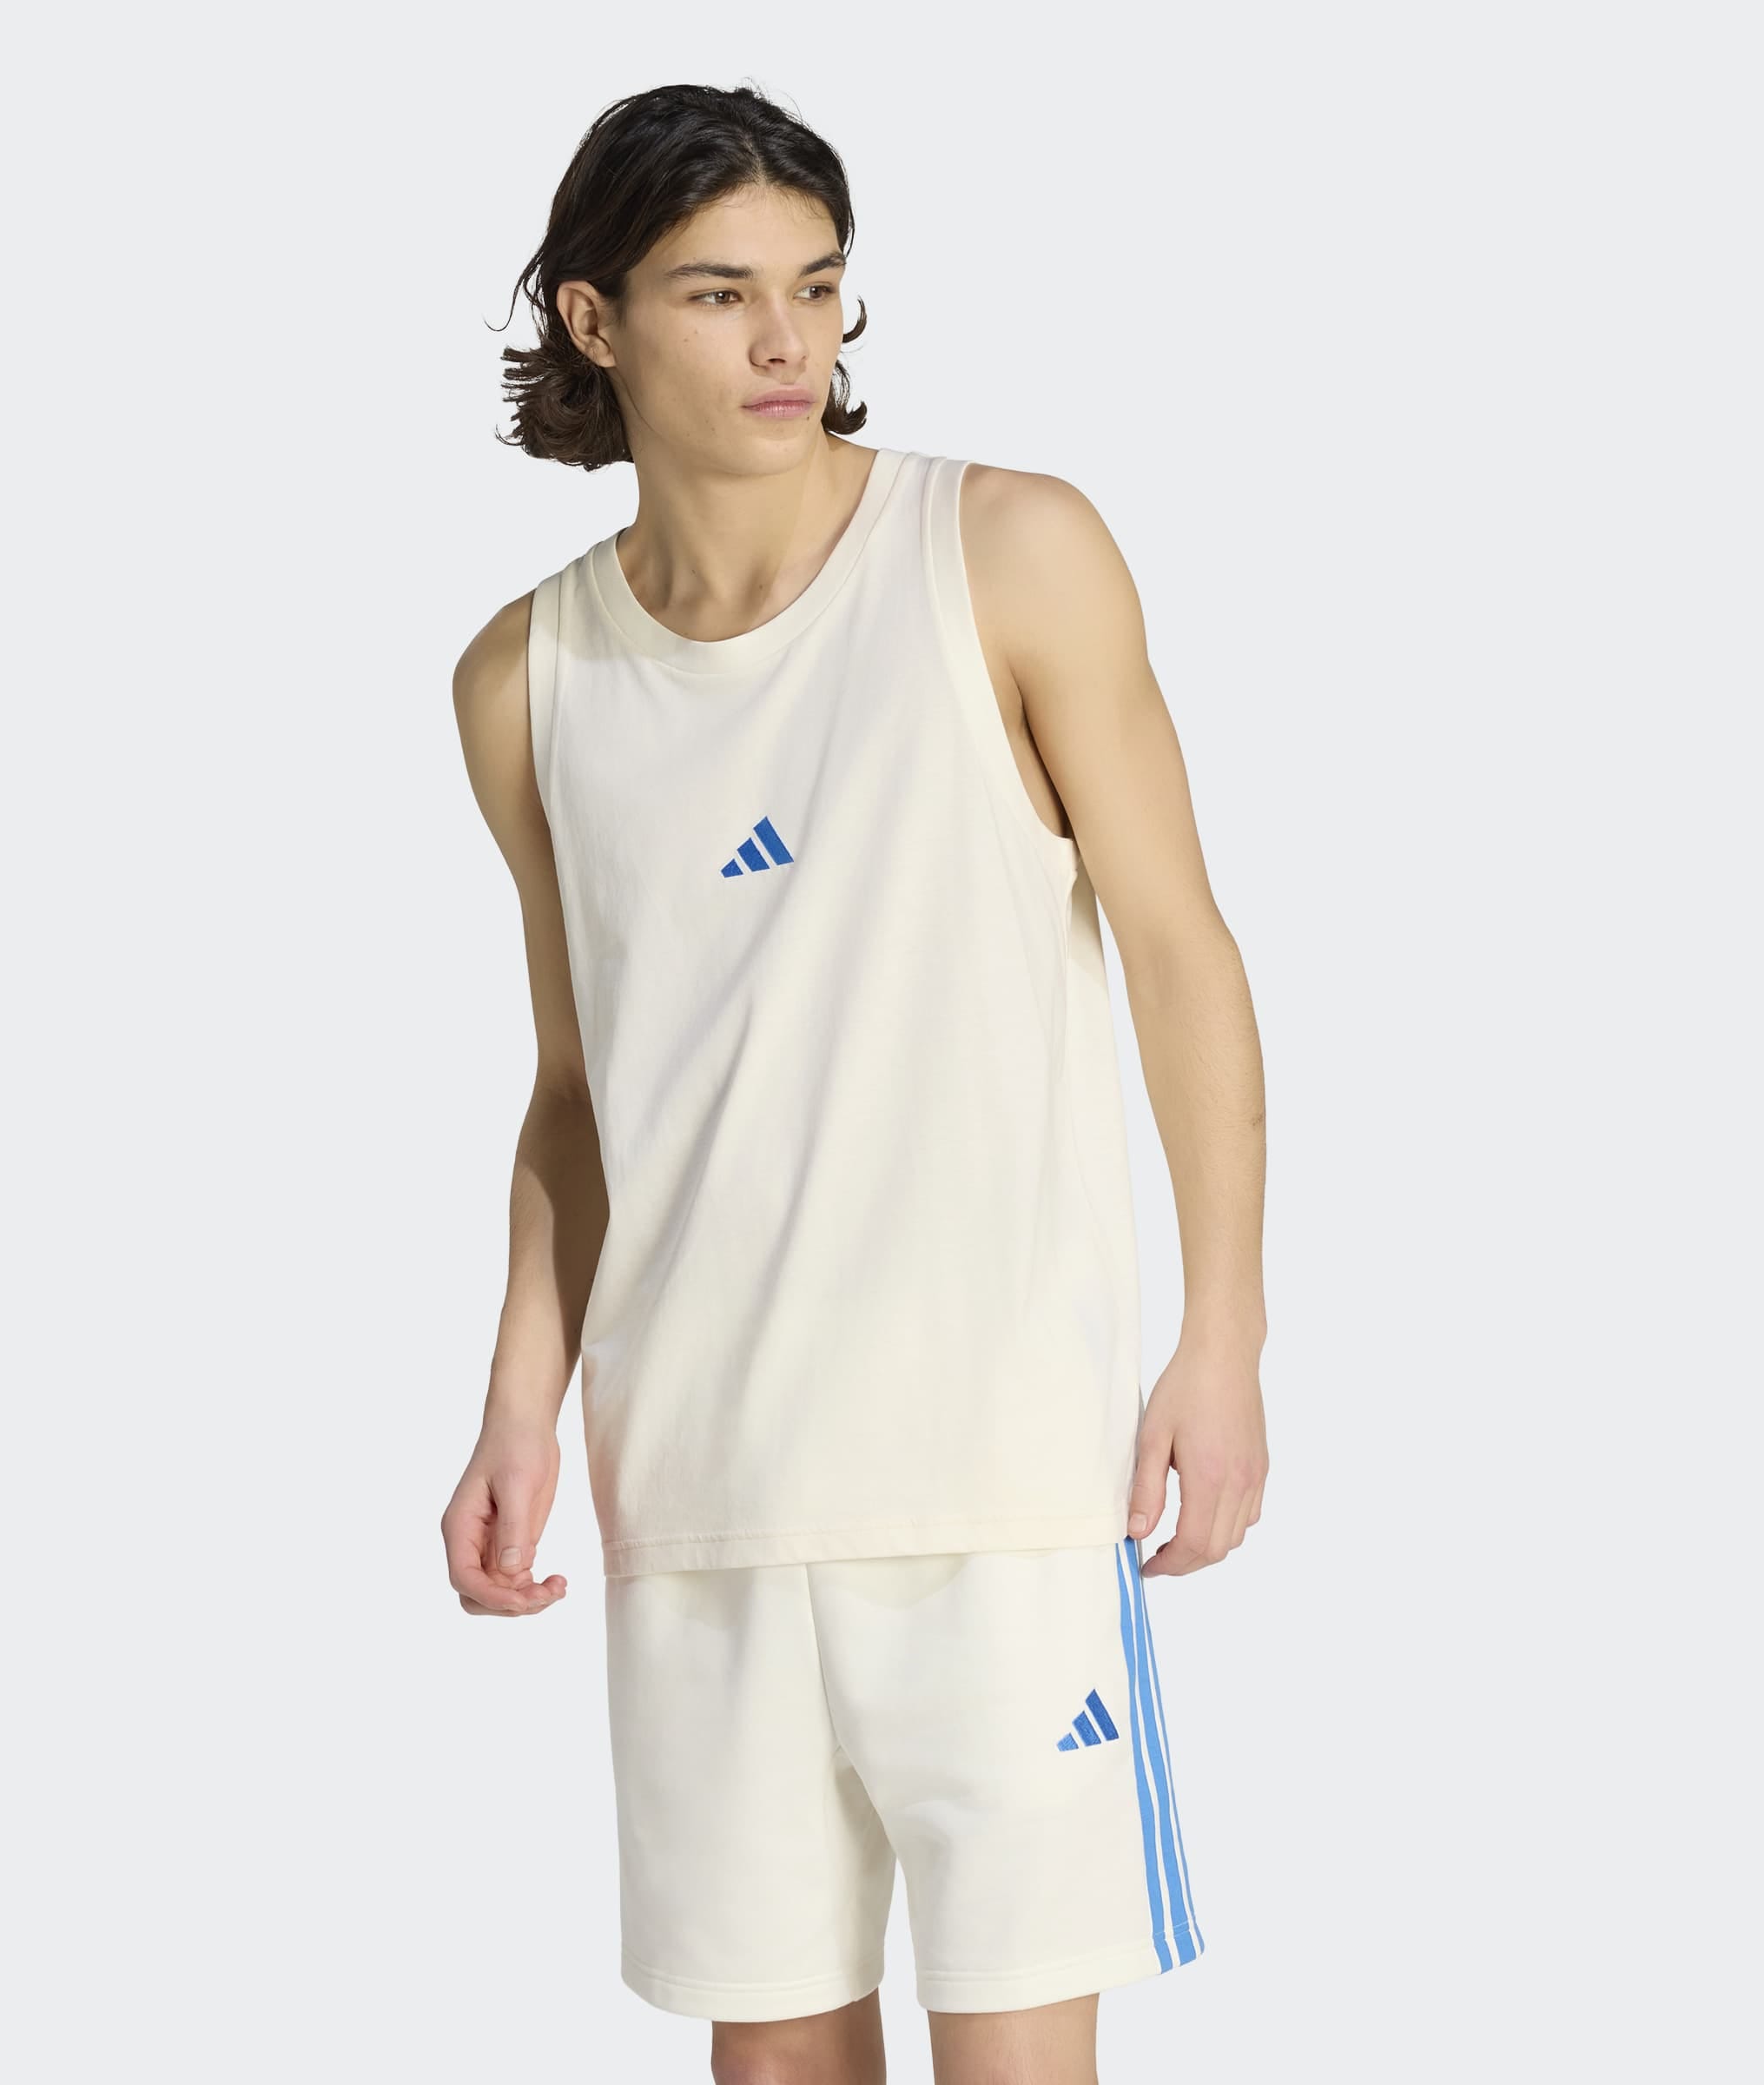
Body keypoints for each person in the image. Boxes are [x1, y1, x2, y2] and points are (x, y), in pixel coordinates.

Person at [444, 82, 1268, 2083]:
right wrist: (518, 1405)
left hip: (1001, 1484)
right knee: (775, 2063)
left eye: (815, 286)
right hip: (700, 1490)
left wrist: (1223, 1335)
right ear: (593, 320)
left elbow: (1183, 953)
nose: (786, 341)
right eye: (719, 292)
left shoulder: (1006, 553)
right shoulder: (525, 680)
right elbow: (580, 1085)